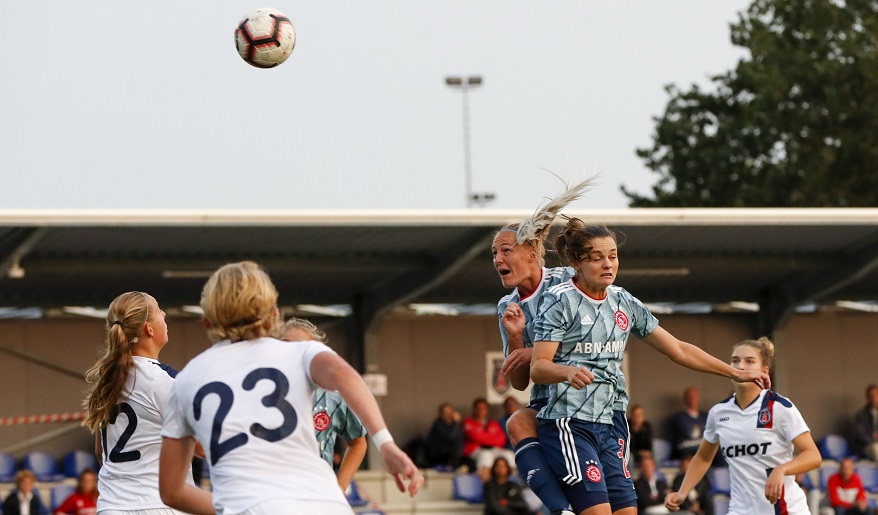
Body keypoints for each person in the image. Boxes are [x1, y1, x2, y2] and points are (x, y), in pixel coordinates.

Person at [529, 219, 771, 515]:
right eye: (597, 258)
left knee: (627, 512)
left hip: (613, 421)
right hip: (570, 422)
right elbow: (538, 367)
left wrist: (735, 372)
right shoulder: (559, 300)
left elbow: (679, 349)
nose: (608, 264)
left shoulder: (624, 302)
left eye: (613, 256)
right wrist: (566, 371)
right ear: (577, 263)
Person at [158, 260, 423, 515]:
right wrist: (385, 443)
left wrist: (230, 507)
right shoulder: (298, 352)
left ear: (207, 321)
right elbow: (345, 375)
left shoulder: (189, 377)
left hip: (254, 505)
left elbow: (171, 491)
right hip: (326, 503)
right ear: (273, 314)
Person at [495, 176, 596, 515]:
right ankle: (559, 511)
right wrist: (514, 337)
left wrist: (534, 348)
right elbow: (521, 382)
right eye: (494, 253)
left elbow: (592, 330)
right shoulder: (507, 307)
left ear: (534, 252)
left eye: (506, 250)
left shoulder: (566, 282)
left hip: (586, 398)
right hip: (547, 405)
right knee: (516, 422)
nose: (497, 260)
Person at [665, 337, 821, 515]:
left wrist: (782, 469)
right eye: (735, 360)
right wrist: (683, 492)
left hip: (785, 510)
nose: (740, 366)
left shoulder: (780, 407)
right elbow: (703, 458)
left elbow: (813, 456)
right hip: (740, 510)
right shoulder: (719, 413)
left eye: (749, 361)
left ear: (764, 371)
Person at [81, 291, 191, 514]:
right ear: (149, 329)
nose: (164, 314)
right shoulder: (162, 381)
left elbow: (101, 452)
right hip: (158, 504)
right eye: (159, 310)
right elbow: (199, 446)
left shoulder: (107, 380)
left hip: (112, 506)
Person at [280, 317, 368, 492]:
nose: (293, 351)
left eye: (302, 346)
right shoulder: (262, 392)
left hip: (317, 495)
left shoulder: (331, 396)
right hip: (273, 496)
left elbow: (358, 443)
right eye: (285, 344)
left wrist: (340, 488)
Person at [463, 398, 515, 482]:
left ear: (487, 410)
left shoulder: (493, 423)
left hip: (494, 450)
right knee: (485, 456)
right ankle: (487, 487)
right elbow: (474, 436)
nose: (481, 411)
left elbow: (501, 440)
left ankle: (511, 487)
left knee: (509, 455)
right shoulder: (468, 422)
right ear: (474, 409)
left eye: (483, 408)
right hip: (476, 451)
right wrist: (491, 437)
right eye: (478, 408)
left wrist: (483, 437)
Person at [669, 388, 708, 460]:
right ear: (685, 399)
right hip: (686, 447)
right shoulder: (680, 417)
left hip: (703, 446)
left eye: (695, 397)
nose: (693, 400)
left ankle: (722, 470)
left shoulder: (705, 416)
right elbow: (688, 433)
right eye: (690, 397)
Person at [426, 402, 465, 470]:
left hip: (452, 454)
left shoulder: (454, 425)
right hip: (438, 455)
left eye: (450, 412)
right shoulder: (438, 423)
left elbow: (459, 438)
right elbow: (450, 436)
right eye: (445, 412)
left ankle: (457, 465)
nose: (448, 415)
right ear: (441, 414)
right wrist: (456, 422)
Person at [853, 385, 878, 461]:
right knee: (876, 449)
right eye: (872, 396)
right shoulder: (861, 414)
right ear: (868, 398)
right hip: (868, 446)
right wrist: (873, 439)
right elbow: (860, 435)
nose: (874, 398)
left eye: (876, 395)